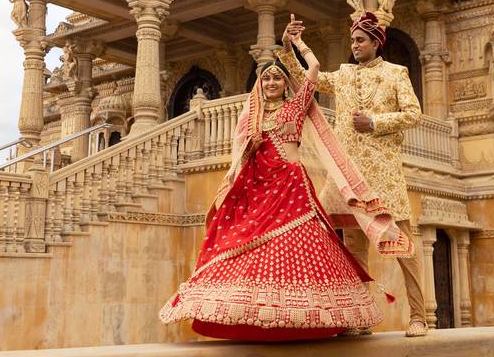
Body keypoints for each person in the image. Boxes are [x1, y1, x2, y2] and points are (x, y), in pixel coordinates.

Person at [160, 21, 409, 340]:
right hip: (260, 190)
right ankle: (264, 318)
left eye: (277, 77)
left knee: (302, 251)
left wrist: (295, 42)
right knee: (251, 251)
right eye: (266, 78)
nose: (272, 82)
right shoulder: (252, 117)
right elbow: (241, 158)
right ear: (259, 85)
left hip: (291, 189)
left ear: (285, 84)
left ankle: (311, 319)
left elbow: (315, 68)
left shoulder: (295, 107)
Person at [279, 11, 427, 337]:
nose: (355, 45)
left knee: (402, 247)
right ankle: (361, 318)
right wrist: (292, 44)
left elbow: (413, 113)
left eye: (360, 40)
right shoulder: (344, 75)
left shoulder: (395, 73)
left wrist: (374, 122)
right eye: (352, 40)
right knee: (355, 250)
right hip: (348, 174)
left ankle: (419, 316)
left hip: (383, 175)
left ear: (376, 42)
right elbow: (306, 77)